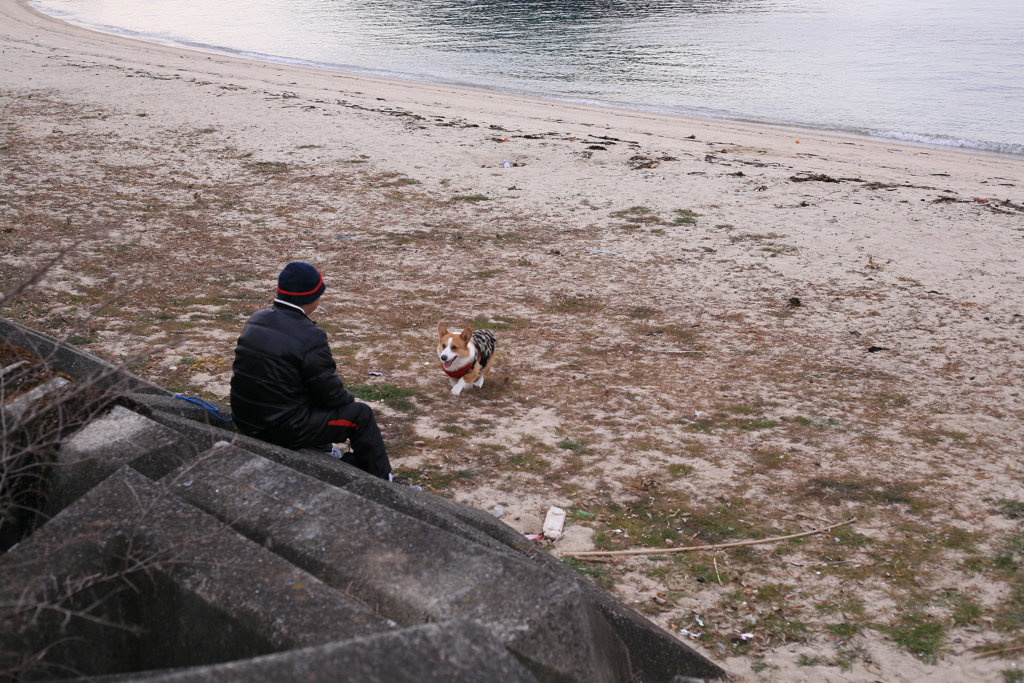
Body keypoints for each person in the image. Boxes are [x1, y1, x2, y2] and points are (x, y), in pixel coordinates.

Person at [229, 261, 392, 480]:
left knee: (301, 390)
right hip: (278, 429)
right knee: (360, 416)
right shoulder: (310, 335)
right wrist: (348, 399)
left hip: (246, 419)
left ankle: (323, 450)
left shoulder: (257, 319)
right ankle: (383, 482)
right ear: (311, 297)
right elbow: (331, 394)